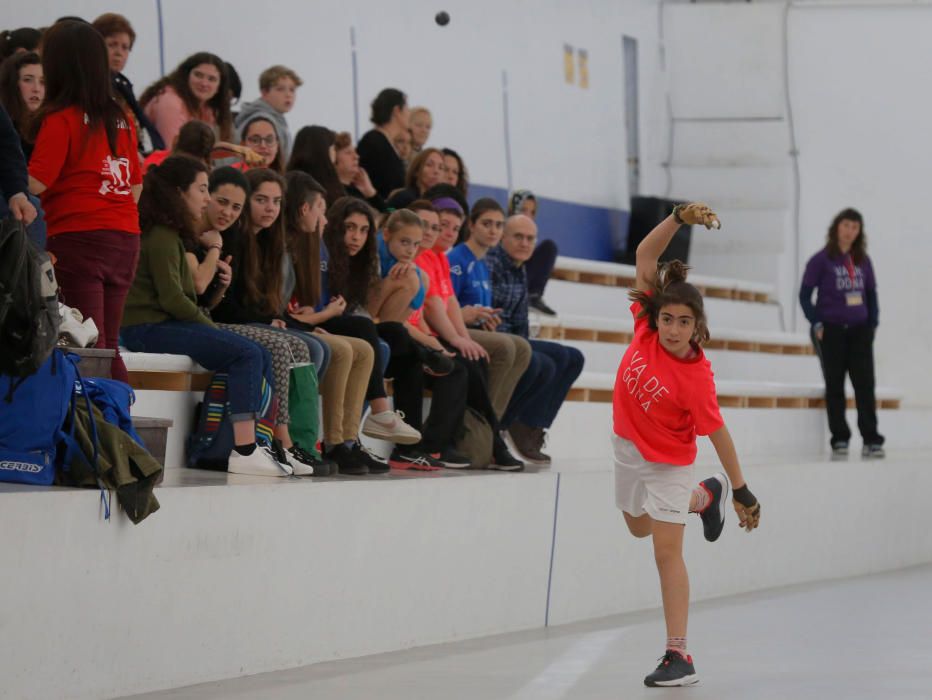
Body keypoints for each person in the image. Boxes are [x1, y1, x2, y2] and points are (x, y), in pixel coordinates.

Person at [612, 202, 760, 687]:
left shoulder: (696, 378)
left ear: (698, 326)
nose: (673, 329)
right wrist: (677, 217)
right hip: (626, 449)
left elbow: (718, 432)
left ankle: (679, 656)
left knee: (664, 551)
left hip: (669, 463)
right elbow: (644, 252)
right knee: (636, 528)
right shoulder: (645, 327)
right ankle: (703, 497)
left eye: (683, 322)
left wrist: (741, 489)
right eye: (668, 319)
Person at [121, 156, 288, 477]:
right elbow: (173, 300)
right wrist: (209, 326)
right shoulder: (160, 236)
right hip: (146, 328)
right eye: (202, 189)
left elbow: (185, 296)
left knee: (260, 353)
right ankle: (244, 450)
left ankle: (245, 445)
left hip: (161, 324)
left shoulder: (171, 235)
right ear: (179, 192)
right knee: (246, 352)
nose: (207, 199)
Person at [185, 166, 332, 475]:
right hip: (213, 322)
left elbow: (246, 300)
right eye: (261, 200)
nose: (270, 209)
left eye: (276, 202)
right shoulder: (226, 238)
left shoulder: (264, 240)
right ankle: (282, 440)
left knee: (311, 348)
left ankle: (300, 442)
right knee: (283, 346)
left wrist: (272, 319)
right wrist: (268, 320)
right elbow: (220, 304)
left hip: (229, 319)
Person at [28, 19, 141, 384]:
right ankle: (121, 429)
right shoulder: (121, 118)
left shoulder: (62, 119)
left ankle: (105, 434)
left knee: (88, 344)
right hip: (124, 236)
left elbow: (36, 181)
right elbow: (135, 187)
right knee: (106, 345)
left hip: (78, 238)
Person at [281, 172, 382, 476]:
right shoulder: (298, 244)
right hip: (286, 325)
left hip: (303, 322)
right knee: (345, 347)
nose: (323, 219)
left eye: (363, 230)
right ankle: (328, 441)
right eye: (321, 210)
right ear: (304, 210)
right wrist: (319, 319)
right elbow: (286, 310)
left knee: (365, 348)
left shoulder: (312, 245)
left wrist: (315, 319)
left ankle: (348, 441)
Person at [411, 197, 524, 470]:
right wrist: (457, 339)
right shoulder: (437, 257)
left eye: (447, 227)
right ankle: (477, 438)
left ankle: (487, 435)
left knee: (487, 357)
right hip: (422, 334)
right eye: (436, 226)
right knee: (466, 366)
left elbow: (447, 302)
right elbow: (433, 306)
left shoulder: (439, 257)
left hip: (438, 332)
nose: (441, 233)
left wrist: (463, 339)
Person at [318, 197, 424, 457]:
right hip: (318, 322)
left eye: (364, 230)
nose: (356, 237)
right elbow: (315, 306)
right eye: (350, 228)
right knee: (367, 333)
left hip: (340, 320)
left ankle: (350, 441)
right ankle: (377, 413)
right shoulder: (322, 253)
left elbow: (358, 309)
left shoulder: (360, 261)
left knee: (393, 338)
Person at [486, 215, 584, 465]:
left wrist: (525, 346)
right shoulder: (491, 263)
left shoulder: (520, 268)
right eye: (518, 237)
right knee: (544, 363)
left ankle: (531, 426)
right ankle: (507, 424)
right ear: (503, 238)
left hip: (515, 340)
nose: (524, 243)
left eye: (530, 238)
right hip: (494, 340)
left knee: (572, 357)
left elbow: (521, 322)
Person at [437, 198, 532, 423]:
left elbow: (480, 309)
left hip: (471, 329)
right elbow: (439, 308)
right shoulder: (457, 260)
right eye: (487, 223)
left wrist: (487, 320)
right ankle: (477, 422)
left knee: (523, 347)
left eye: (499, 225)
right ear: (471, 225)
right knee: (506, 346)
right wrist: (465, 315)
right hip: (450, 332)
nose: (493, 230)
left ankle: (493, 425)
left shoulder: (481, 263)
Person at [799, 208, 884, 458]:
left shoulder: (863, 261)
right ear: (837, 227)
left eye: (855, 227)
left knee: (865, 385)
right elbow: (805, 296)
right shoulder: (821, 260)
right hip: (831, 331)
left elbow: (871, 294)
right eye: (846, 225)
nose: (850, 231)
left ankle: (871, 439)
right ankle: (840, 438)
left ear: (859, 232)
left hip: (860, 331)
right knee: (835, 384)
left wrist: (872, 324)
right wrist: (816, 323)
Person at [91, 13, 165, 154]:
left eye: (125, 48)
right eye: (112, 45)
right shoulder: (91, 85)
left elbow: (152, 139)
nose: (119, 53)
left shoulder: (123, 86)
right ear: (95, 45)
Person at [140, 52, 233, 147]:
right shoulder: (170, 102)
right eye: (198, 75)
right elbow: (172, 151)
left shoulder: (207, 108)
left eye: (211, 79)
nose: (204, 83)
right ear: (186, 76)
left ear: (219, 87)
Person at [508, 189, 558, 316]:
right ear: (514, 209)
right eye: (524, 210)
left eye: (532, 212)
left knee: (549, 247)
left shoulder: (531, 235)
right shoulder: (501, 230)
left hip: (522, 278)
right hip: (504, 281)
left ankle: (533, 296)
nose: (528, 216)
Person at [234, 65, 300, 161]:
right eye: (280, 89)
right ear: (264, 92)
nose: (288, 95)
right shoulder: (263, 121)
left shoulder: (276, 120)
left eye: (292, 90)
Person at [356, 87, 408, 199]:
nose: (409, 113)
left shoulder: (387, 143)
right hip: (381, 212)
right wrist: (389, 211)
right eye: (407, 108)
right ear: (397, 111)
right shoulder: (373, 142)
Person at [0, 51, 43, 160]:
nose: (36, 89)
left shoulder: (50, 125)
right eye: (27, 80)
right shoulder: (5, 127)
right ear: (12, 84)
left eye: (43, 82)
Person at [287, 125, 344, 206]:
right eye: (333, 148)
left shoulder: (288, 181)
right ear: (324, 150)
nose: (335, 153)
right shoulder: (328, 186)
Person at [333, 130, 383, 211]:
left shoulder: (359, 191)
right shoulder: (332, 194)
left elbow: (391, 211)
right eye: (348, 153)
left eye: (355, 152)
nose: (356, 157)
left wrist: (372, 193)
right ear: (333, 158)